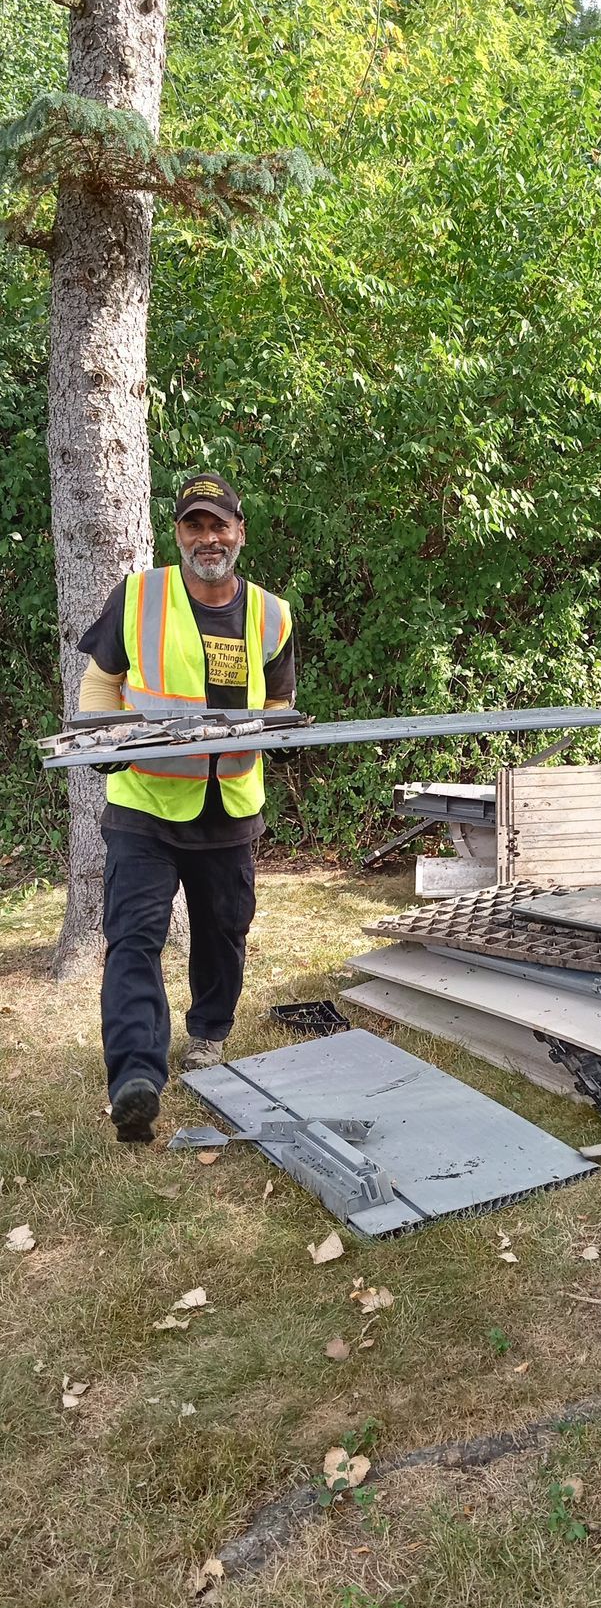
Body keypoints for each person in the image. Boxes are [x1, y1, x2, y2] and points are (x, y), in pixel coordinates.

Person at [77, 473, 294, 1145]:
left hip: (228, 804)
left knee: (224, 930)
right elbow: (101, 679)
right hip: (144, 805)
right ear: (178, 534)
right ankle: (135, 1079)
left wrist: (281, 736)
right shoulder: (140, 596)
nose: (208, 538)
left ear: (239, 532)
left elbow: (281, 699)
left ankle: (208, 1033)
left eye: (218, 525)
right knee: (135, 938)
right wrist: (100, 737)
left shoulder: (271, 614)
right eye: (194, 526)